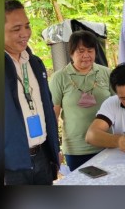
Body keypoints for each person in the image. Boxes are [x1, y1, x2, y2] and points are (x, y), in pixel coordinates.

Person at [4, 0, 60, 185]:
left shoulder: (35, 63)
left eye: (27, 26)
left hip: (42, 156)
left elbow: (47, 108)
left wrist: (54, 149)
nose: (25, 33)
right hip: (10, 167)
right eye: (16, 29)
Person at [49, 30, 114, 171]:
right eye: (81, 51)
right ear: (71, 53)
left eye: (90, 51)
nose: (86, 55)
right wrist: (54, 148)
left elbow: (119, 105)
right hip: (76, 149)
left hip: (107, 144)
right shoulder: (59, 77)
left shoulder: (107, 73)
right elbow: (53, 114)